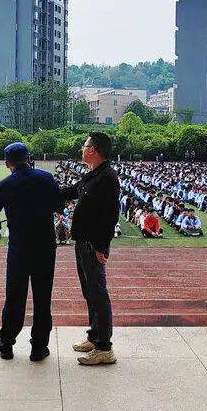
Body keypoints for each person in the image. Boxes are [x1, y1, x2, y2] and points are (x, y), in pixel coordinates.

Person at [0, 142, 62, 362]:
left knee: (14, 298)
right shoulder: (46, 178)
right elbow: (58, 205)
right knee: (42, 298)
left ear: (7, 163)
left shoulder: (4, 185)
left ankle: (6, 345)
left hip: (19, 249)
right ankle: (39, 348)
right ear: (29, 158)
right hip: (45, 248)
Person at [61, 132, 119, 366]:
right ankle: (94, 337)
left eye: (84, 145)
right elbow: (70, 192)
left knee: (98, 293)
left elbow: (111, 216)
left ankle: (105, 347)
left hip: (93, 245)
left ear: (93, 149)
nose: (82, 148)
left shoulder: (108, 178)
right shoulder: (92, 175)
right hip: (82, 241)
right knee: (89, 293)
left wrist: (102, 247)